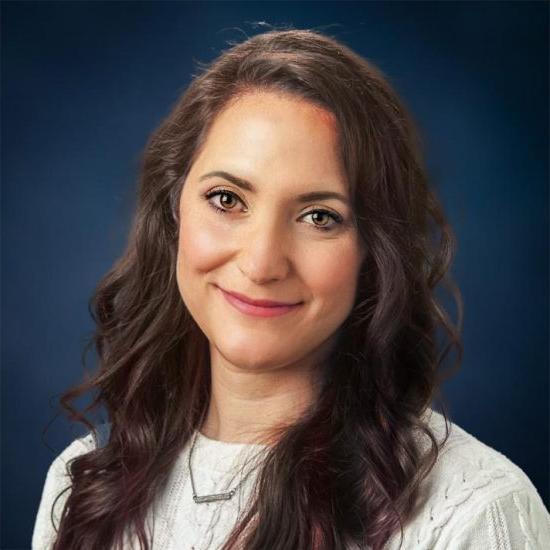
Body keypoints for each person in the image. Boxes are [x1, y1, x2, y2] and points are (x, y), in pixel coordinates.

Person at [32, 28, 549, 550]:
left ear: (375, 250)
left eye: (319, 216)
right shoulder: (82, 489)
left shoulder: (475, 511)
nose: (261, 263)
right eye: (227, 199)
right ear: (173, 212)